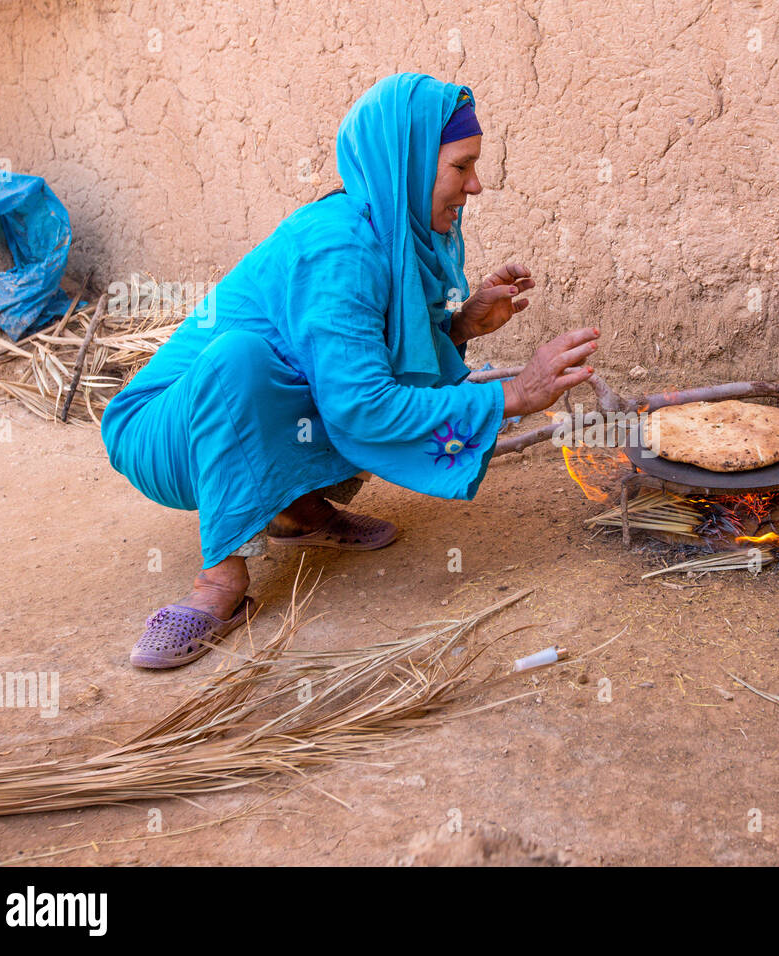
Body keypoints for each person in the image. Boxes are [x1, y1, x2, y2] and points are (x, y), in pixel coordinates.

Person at [101, 73, 598, 669]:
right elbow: (361, 406)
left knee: (310, 368)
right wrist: (515, 394)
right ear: (408, 160)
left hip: (230, 409)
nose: (476, 185)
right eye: (461, 167)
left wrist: (459, 327)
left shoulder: (395, 233)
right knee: (245, 359)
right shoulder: (339, 246)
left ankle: (295, 511)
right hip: (162, 430)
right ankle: (219, 581)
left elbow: (372, 360)